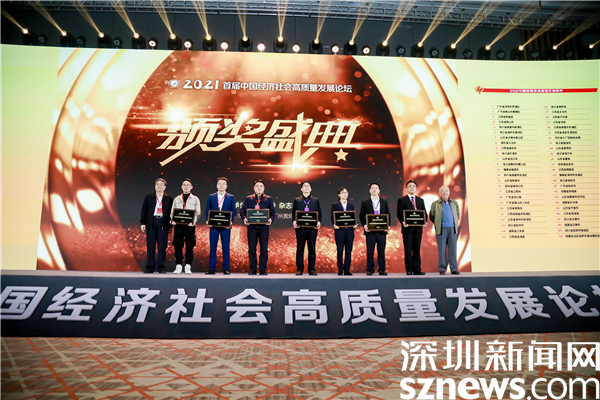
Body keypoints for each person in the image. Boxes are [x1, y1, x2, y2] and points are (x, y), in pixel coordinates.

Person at [240, 179, 277, 275]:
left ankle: (263, 270)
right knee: (252, 249)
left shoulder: (268, 199)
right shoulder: (249, 199)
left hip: (264, 227)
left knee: (264, 249)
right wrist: (244, 218)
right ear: (254, 188)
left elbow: (273, 212)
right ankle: (252, 269)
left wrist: (270, 219)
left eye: (261, 186)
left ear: (264, 188)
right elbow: (242, 211)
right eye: (257, 186)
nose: (259, 188)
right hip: (252, 227)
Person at [140, 178, 173, 274]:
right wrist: (143, 223)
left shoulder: (169, 199)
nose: (159, 186)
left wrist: (170, 225)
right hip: (151, 222)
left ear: (165, 187)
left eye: (162, 184)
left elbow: (172, 213)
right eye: (158, 184)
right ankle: (149, 267)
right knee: (150, 246)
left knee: (162, 246)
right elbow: (144, 210)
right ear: (155, 186)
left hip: (163, 222)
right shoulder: (148, 197)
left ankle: (161, 267)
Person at [205, 177, 236, 275]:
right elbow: (207, 209)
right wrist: (208, 220)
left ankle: (226, 268)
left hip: (225, 227)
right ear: (216, 185)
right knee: (212, 247)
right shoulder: (211, 196)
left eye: (223, 184)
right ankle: (211, 268)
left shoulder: (231, 197)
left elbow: (233, 210)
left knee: (226, 248)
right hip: (214, 226)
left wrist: (230, 221)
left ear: (226, 186)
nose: (221, 185)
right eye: (220, 183)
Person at [170, 178, 201, 274]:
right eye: (184, 185)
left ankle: (188, 265)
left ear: (191, 187)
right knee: (177, 245)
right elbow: (172, 212)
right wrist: (173, 220)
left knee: (190, 246)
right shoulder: (177, 199)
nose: (186, 187)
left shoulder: (195, 199)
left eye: (188, 185)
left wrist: (193, 221)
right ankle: (178, 265)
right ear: (181, 187)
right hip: (178, 226)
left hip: (190, 226)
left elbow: (198, 212)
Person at [397, 180, 428, 275]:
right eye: (410, 186)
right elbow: (399, 214)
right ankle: (409, 270)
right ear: (406, 188)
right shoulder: (402, 200)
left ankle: (417, 270)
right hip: (407, 229)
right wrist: (403, 222)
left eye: (413, 186)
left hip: (418, 229)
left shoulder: (420, 200)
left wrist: (425, 222)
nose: (412, 188)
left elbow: (424, 213)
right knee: (408, 249)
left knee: (417, 249)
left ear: (416, 188)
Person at [292, 180, 322, 275]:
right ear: (301, 189)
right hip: (300, 228)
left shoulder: (315, 200)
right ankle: (299, 269)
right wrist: (294, 221)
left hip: (312, 228)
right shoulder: (297, 200)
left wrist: (319, 222)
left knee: (312, 249)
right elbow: (293, 213)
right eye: (304, 186)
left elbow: (319, 213)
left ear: (311, 189)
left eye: (308, 186)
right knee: (300, 249)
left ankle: (311, 269)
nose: (306, 187)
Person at [359, 183, 390, 276]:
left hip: (381, 231)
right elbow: (361, 215)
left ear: (379, 190)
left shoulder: (384, 202)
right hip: (370, 231)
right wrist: (364, 225)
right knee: (370, 251)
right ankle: (370, 269)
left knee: (381, 251)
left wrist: (388, 226)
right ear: (370, 190)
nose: (374, 189)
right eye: (372, 188)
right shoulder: (365, 202)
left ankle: (382, 269)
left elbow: (388, 215)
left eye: (376, 188)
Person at [429, 185, 461, 275]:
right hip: (441, 229)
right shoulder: (435, 204)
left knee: (453, 250)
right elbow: (432, 216)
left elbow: (458, 215)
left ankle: (454, 268)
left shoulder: (455, 203)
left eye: (446, 191)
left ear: (449, 192)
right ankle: (442, 269)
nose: (445, 192)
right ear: (440, 193)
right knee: (442, 250)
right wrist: (438, 223)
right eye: (442, 191)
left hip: (452, 229)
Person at [331, 187, 357, 276]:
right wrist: (334, 224)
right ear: (339, 195)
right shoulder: (335, 205)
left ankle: (347, 269)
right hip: (340, 231)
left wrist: (354, 224)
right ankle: (340, 269)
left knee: (348, 250)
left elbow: (353, 217)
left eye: (346, 192)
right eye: (342, 192)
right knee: (340, 250)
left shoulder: (351, 206)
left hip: (349, 230)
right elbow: (332, 217)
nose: (345, 194)